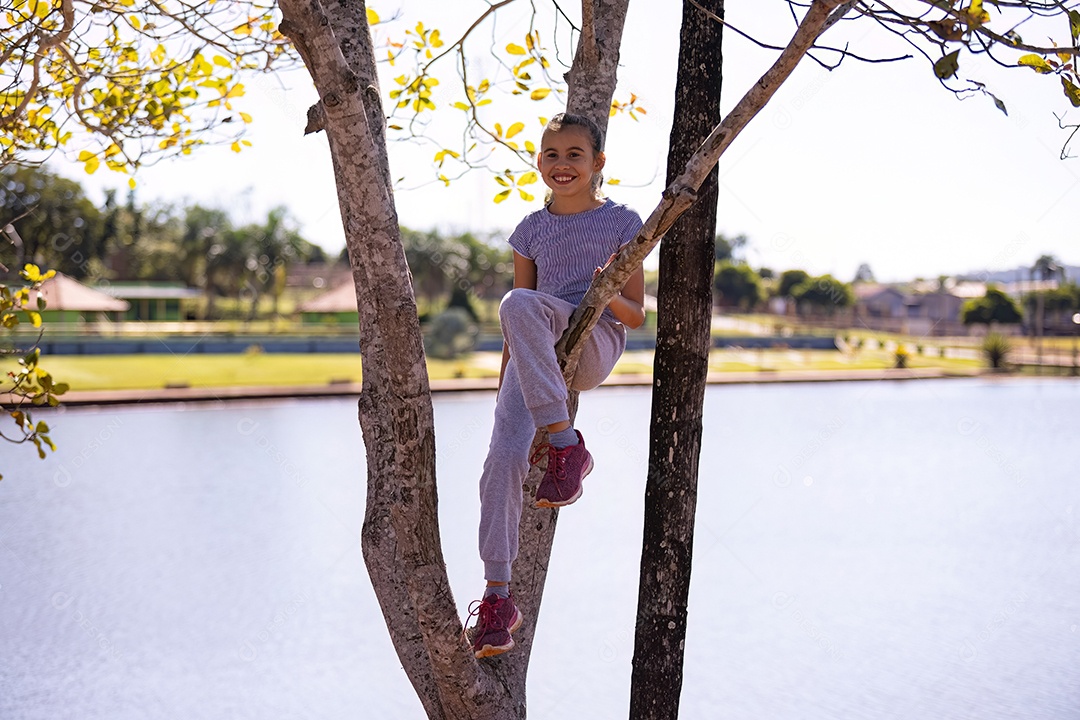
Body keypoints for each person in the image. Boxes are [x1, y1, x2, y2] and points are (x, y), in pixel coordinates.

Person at [466, 112, 646, 659]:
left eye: (574, 154)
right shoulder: (529, 231)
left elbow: (636, 315)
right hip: (537, 352)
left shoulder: (622, 222)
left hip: (593, 342)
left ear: (597, 163)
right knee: (501, 457)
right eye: (551, 154)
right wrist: (505, 395)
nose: (561, 164)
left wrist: (605, 290)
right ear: (538, 162)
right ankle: (498, 598)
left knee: (520, 304)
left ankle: (567, 445)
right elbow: (516, 321)